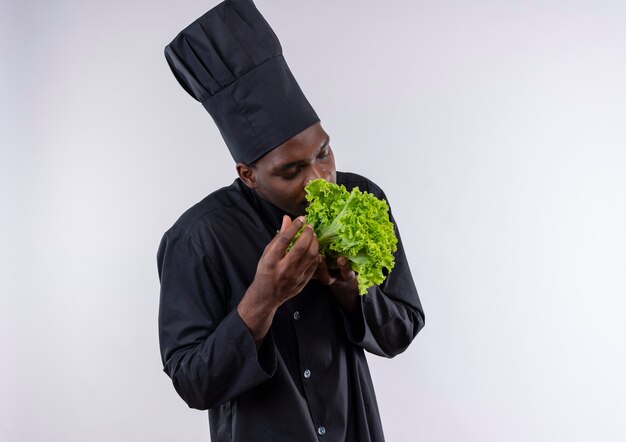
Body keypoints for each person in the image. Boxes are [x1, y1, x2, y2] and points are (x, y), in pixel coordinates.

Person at [157, 0, 425, 440]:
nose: (320, 179)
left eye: (323, 153)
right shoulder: (198, 238)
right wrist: (262, 299)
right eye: (290, 170)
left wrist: (348, 287)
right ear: (248, 174)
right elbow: (192, 382)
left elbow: (401, 331)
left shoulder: (359, 201)